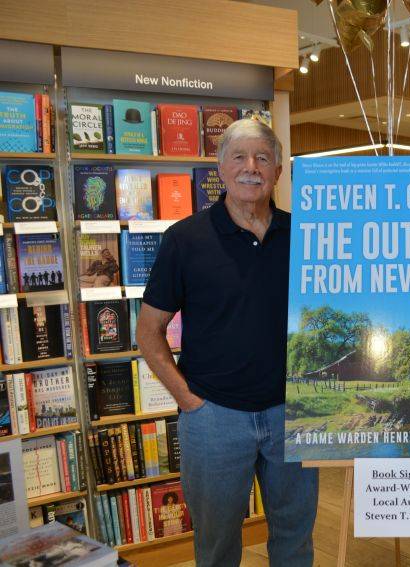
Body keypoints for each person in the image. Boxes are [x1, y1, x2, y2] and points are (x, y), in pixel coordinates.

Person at [137, 118, 318, 567]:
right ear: (221, 167)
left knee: (295, 540)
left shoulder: (307, 238)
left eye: (263, 158)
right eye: (239, 157)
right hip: (213, 420)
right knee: (216, 548)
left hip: (294, 416)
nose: (251, 167)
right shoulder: (185, 239)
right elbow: (148, 331)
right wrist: (189, 400)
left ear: (278, 171)